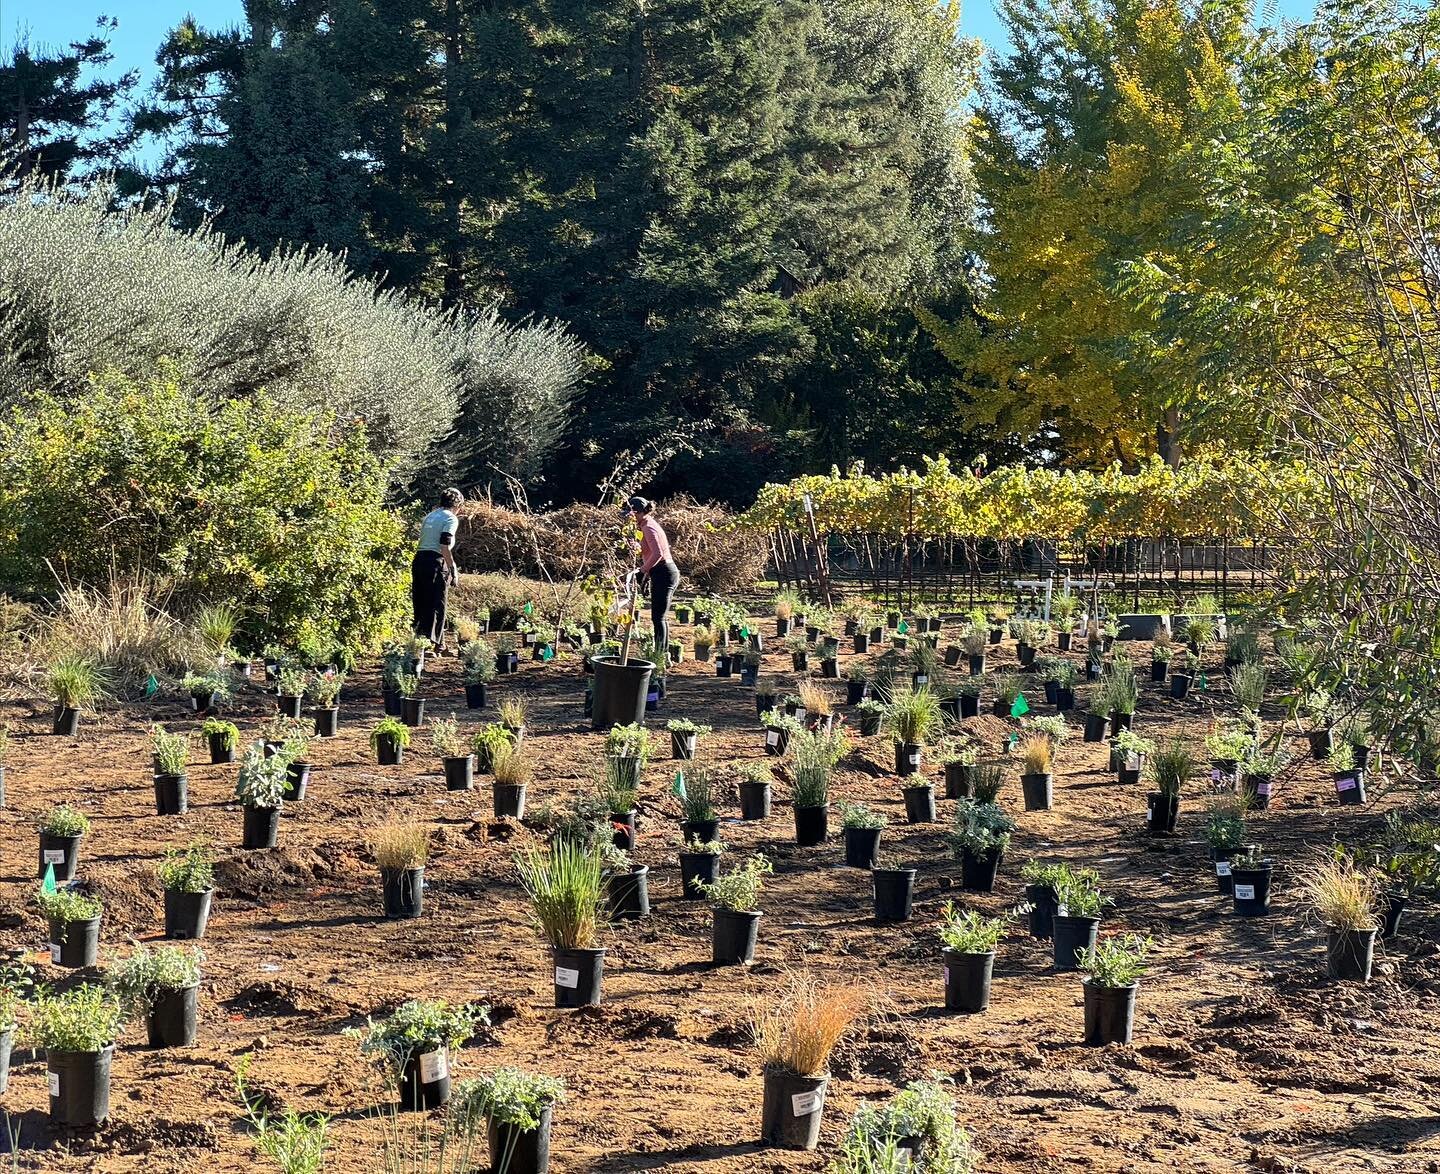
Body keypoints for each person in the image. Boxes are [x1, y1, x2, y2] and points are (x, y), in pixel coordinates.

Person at [413, 487, 464, 651]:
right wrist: (452, 567)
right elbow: (444, 544)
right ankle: (432, 645)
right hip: (435, 562)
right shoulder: (451, 518)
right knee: (437, 603)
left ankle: (428, 642)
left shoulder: (430, 516)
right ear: (458, 505)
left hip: (419, 560)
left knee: (421, 602)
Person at [627, 496, 679, 655]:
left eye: (630, 513)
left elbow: (658, 554)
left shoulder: (649, 527)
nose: (629, 517)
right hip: (660, 572)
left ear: (638, 512)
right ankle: (663, 654)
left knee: (658, 617)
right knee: (659, 617)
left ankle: (660, 656)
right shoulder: (643, 526)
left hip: (665, 572)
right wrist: (637, 548)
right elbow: (649, 551)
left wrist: (642, 571)